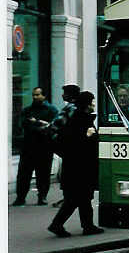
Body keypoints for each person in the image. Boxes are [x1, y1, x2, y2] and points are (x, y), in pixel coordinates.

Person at [48, 91, 104, 237]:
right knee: (74, 200)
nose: (93, 104)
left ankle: (87, 226)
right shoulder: (79, 120)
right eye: (92, 101)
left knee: (83, 198)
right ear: (86, 104)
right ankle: (57, 224)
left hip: (80, 167)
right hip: (79, 168)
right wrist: (87, 136)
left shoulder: (82, 118)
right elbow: (72, 143)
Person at [12, 87, 59, 206]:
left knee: (43, 173)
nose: (34, 97)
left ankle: (42, 196)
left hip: (45, 146)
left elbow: (53, 126)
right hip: (28, 146)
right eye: (33, 95)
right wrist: (40, 125)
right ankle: (20, 197)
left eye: (37, 95)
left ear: (44, 96)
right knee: (24, 174)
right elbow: (23, 124)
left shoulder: (51, 110)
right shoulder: (27, 110)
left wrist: (35, 122)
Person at [48, 84, 81, 208]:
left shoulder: (70, 108)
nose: (62, 95)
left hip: (68, 146)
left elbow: (56, 124)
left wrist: (47, 129)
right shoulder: (78, 107)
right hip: (73, 146)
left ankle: (68, 199)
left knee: (67, 174)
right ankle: (69, 198)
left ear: (70, 95)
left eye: (65, 93)